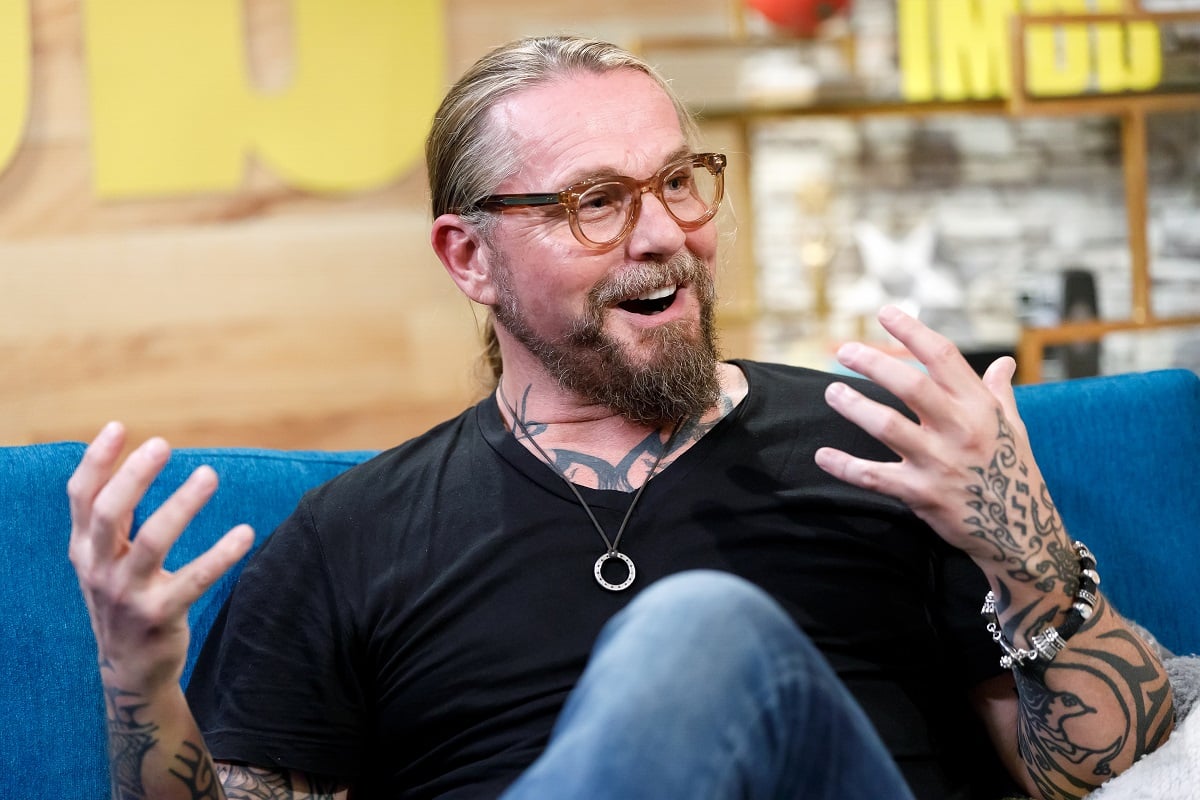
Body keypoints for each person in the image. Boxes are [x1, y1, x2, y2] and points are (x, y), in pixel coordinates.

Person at [68, 35, 1175, 800]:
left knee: (704, 631)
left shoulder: (889, 448)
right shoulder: (348, 539)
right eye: (597, 201)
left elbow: (1107, 781)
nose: (663, 235)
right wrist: (137, 679)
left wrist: (1023, 548)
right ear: (471, 257)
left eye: (680, 180)